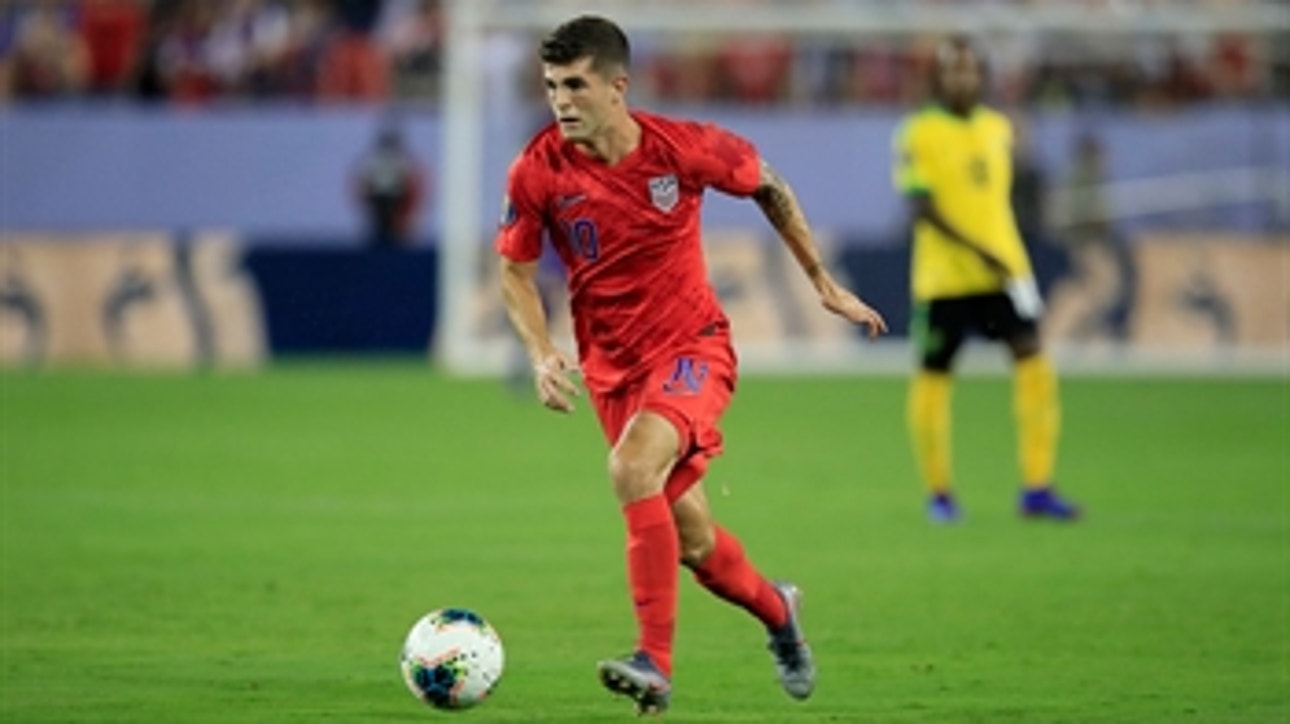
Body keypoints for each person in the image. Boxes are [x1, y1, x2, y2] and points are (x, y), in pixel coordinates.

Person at [495, 15, 887, 716]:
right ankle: (778, 611)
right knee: (693, 542)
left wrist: (821, 281)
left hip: (691, 350)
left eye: (576, 85)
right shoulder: (538, 169)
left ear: (619, 87)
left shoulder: (683, 149)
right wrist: (540, 350)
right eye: (552, 85)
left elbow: (768, 184)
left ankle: (655, 662)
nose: (560, 100)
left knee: (629, 468)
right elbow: (514, 272)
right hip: (613, 371)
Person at [892, 36, 1080, 524]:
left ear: (983, 76)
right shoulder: (917, 133)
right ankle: (939, 493)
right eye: (953, 70)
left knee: (1036, 365)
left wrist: (1011, 247)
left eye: (971, 70)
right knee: (934, 379)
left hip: (1004, 273)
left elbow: (999, 199)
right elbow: (920, 207)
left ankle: (1036, 486)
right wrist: (979, 249)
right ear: (938, 77)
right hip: (943, 279)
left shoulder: (999, 128)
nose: (963, 78)